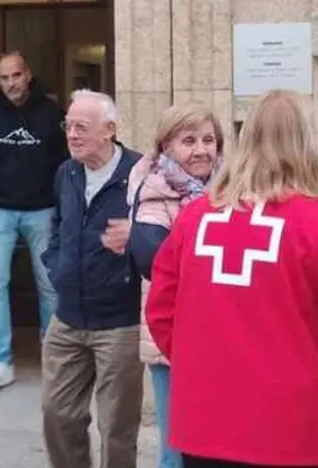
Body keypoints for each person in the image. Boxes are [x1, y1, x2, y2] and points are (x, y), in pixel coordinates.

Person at [146, 89, 318, 468]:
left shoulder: (195, 218)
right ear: (307, 146)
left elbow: (161, 311)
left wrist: (207, 369)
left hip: (206, 426)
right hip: (290, 432)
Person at [114, 103, 225, 468]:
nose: (201, 150)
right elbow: (156, 262)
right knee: (176, 451)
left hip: (225, 340)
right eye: (188, 140)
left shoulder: (234, 191)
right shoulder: (153, 196)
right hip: (172, 341)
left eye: (208, 140)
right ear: (165, 147)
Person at [40, 90, 145, 468]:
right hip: (66, 316)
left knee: (117, 427)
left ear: (109, 131)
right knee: (57, 413)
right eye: (68, 126)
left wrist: (135, 238)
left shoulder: (139, 174)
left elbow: (163, 234)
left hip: (119, 322)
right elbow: (57, 226)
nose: (71, 134)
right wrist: (56, 265)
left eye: (81, 127)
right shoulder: (66, 172)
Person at [0, 51, 68, 391]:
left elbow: (64, 164)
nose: (11, 83)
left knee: (49, 283)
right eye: (4, 78)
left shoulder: (51, 113)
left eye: (16, 76)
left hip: (42, 209)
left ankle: (53, 356)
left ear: (28, 74)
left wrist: (64, 211)